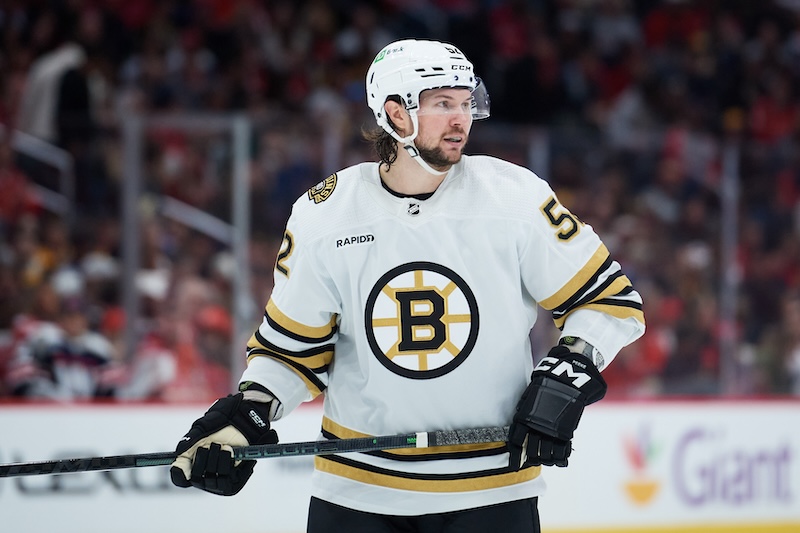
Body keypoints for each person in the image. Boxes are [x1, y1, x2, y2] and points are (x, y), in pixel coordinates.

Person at [170, 39, 645, 533]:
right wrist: (250, 411)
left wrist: (566, 369)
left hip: (493, 490)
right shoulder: (325, 213)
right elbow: (293, 350)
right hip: (357, 493)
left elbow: (609, 302)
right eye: (443, 104)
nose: (461, 119)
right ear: (395, 114)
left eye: (466, 103)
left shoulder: (515, 198)